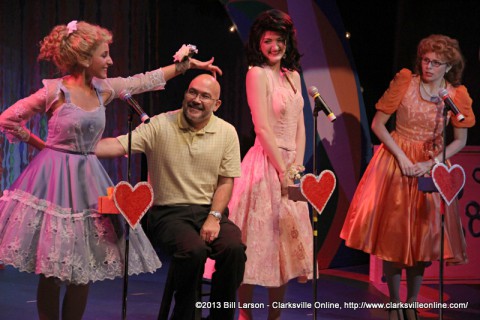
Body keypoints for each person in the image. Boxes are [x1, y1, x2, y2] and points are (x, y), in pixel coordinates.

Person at [0, 20, 222, 320]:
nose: (110, 60)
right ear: (84, 58)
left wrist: (184, 67)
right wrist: (44, 148)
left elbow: (144, 80)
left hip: (87, 182)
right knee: (51, 270)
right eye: (104, 55)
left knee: (83, 270)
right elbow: (8, 119)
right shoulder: (54, 91)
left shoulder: (104, 89)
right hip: (51, 182)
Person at [340, 34, 475, 320]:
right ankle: (394, 300)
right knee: (394, 238)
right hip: (395, 164)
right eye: (425, 60)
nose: (428, 67)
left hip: (430, 168)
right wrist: (401, 157)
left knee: (423, 240)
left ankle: (412, 301)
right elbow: (378, 124)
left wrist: (432, 163)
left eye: (436, 63)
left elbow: (460, 139)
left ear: (448, 67)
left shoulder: (454, 96)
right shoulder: (405, 82)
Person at [95, 73, 247, 320]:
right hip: (168, 214)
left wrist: (214, 217)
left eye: (205, 96)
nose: (196, 100)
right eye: (192, 92)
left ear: (216, 104)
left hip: (209, 211)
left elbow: (225, 182)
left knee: (234, 249)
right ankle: (186, 314)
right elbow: (119, 145)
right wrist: (76, 146)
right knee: (194, 251)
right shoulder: (160, 125)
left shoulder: (226, 132)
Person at [227, 9, 313, 320]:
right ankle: (245, 315)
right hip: (264, 163)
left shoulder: (294, 76)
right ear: (259, 44)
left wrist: (297, 167)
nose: (274, 46)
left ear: (288, 42)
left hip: (290, 165)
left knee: (285, 246)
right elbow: (262, 128)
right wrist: (282, 170)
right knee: (255, 243)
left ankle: (274, 316)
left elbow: (302, 125)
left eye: (280, 40)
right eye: (268, 41)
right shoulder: (256, 74)